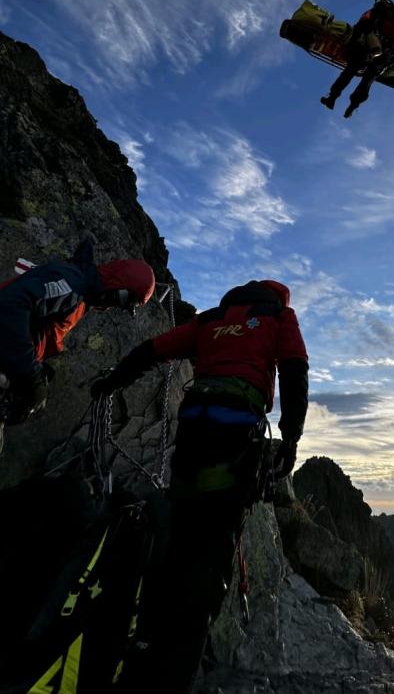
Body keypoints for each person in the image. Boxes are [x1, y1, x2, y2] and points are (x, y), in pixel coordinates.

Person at [91, 278, 309, 694]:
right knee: (214, 545)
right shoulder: (280, 317)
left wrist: (114, 381)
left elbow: (152, 350)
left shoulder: (212, 319)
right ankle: (178, 664)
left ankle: (144, 639)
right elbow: (295, 370)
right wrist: (291, 439)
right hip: (237, 435)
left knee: (179, 532)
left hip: (192, 431)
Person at [0, 238, 155, 454]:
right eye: (123, 300)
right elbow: (10, 305)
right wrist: (30, 375)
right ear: (118, 285)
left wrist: (36, 367)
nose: (114, 307)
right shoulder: (72, 283)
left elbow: (35, 324)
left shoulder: (81, 295)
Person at [320, 0, 394, 118]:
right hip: (384, 55)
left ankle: (332, 97)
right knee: (367, 80)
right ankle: (352, 105)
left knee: (350, 72)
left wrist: (354, 41)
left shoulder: (375, 14)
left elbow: (359, 27)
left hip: (368, 50)